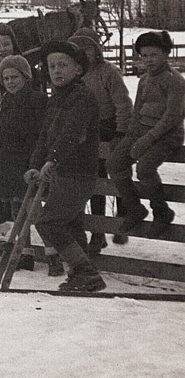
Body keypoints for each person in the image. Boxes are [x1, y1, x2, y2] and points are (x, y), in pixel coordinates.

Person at [25, 40, 105, 292]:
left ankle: (85, 272)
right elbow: (44, 136)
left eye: (63, 65)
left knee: (49, 222)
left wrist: (53, 160)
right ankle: (81, 275)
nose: (57, 70)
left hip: (78, 173)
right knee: (69, 223)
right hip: (62, 173)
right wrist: (35, 164)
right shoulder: (57, 98)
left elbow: (72, 134)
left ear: (78, 70)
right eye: (52, 66)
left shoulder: (82, 98)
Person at [108, 30, 185, 239]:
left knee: (145, 169)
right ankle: (134, 208)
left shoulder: (174, 80)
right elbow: (137, 111)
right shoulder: (143, 80)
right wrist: (131, 136)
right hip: (142, 131)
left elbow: (172, 116)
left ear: (165, 53)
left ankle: (162, 212)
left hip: (167, 134)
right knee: (115, 163)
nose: (148, 60)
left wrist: (147, 139)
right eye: (144, 55)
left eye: (154, 54)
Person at [0, 55, 47, 270]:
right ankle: (24, 253)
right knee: (16, 210)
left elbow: (40, 135)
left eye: (14, 77)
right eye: (6, 78)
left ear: (26, 77)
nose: (10, 82)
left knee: (33, 211)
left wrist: (35, 162)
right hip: (7, 164)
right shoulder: (4, 102)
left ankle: (53, 252)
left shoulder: (37, 101)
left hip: (27, 163)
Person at [69, 30, 132, 254]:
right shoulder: (73, 75)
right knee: (95, 183)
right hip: (87, 131)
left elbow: (123, 103)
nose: (84, 54)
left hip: (110, 127)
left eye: (88, 48)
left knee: (118, 176)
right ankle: (98, 232)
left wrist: (121, 132)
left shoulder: (108, 72)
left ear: (96, 50)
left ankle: (123, 219)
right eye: (78, 50)